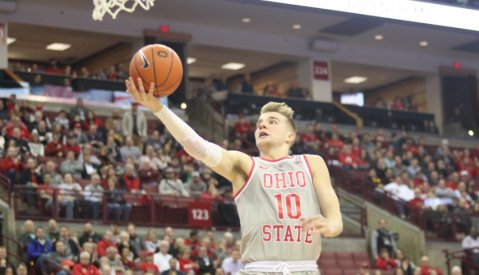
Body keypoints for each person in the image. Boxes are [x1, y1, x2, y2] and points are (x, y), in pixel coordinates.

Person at [126, 77, 343, 274]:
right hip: (259, 269)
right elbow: (198, 148)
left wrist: (330, 227)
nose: (262, 125)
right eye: (259, 124)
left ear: (290, 136)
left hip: (304, 269)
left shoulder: (312, 163)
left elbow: (335, 218)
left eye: (272, 121)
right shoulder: (246, 165)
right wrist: (158, 109)